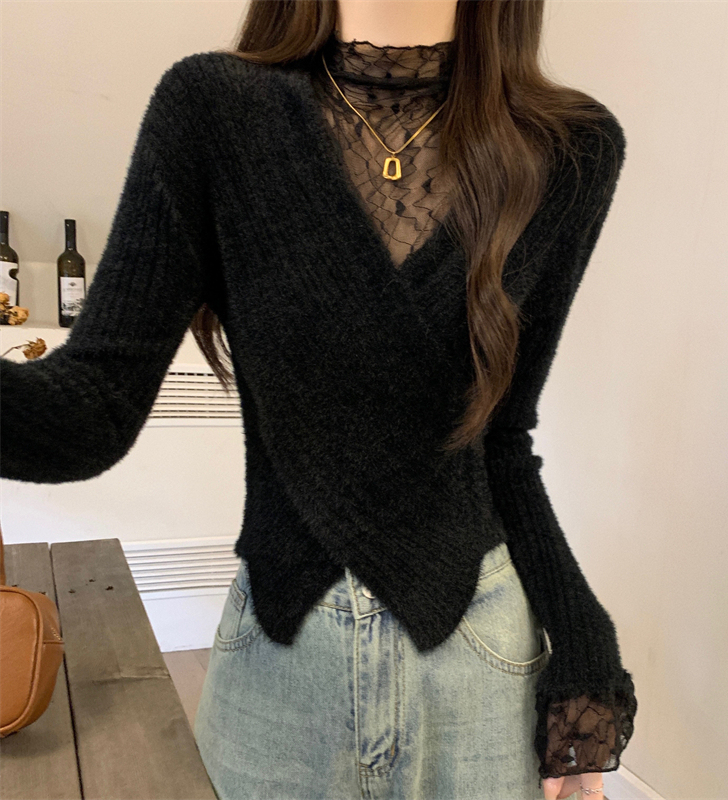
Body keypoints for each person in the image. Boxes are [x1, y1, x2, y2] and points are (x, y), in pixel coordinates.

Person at [0, 1, 637, 798]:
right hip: (281, 658)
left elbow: (503, 438)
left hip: (478, 665)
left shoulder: (568, 147)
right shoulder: (214, 110)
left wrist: (584, 648)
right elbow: (87, 412)